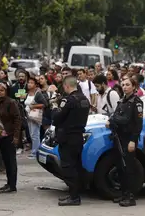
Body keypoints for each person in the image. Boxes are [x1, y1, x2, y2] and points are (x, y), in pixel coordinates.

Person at [50, 75, 90, 206]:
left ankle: (74, 197)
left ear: (67, 86)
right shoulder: (84, 99)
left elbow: (56, 118)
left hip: (67, 138)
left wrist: (55, 106)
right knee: (76, 166)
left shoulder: (68, 100)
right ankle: (75, 194)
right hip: (78, 136)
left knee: (68, 167)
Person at [106, 77, 143, 207]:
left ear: (133, 86)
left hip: (128, 138)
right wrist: (111, 120)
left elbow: (137, 124)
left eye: (127, 84)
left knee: (129, 168)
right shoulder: (122, 101)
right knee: (120, 167)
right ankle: (124, 193)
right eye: (123, 84)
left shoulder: (136, 102)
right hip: (118, 137)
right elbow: (114, 115)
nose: (125, 86)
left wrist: (133, 140)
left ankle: (130, 196)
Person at [0, 81, 21, 193]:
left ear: (6, 91)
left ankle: (12, 185)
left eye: (1, 90)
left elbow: (17, 119)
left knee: (11, 161)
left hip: (9, 135)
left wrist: (16, 136)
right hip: (0, 136)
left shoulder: (11, 103)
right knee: (5, 160)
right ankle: (8, 183)